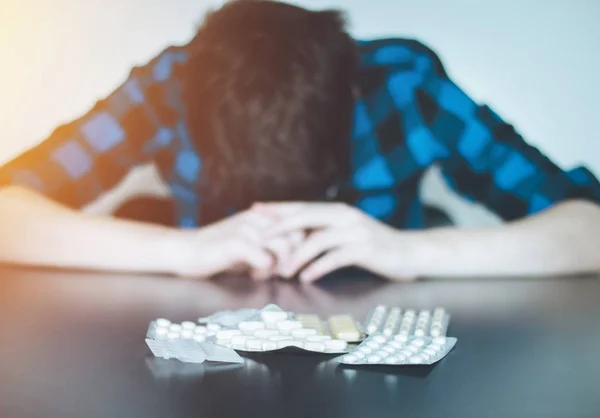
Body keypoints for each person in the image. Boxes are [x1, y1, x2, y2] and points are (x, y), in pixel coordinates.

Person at [1, 0, 599, 282]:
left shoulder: (401, 83)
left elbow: (590, 229)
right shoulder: (174, 81)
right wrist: (176, 252)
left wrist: (414, 253)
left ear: (353, 101)